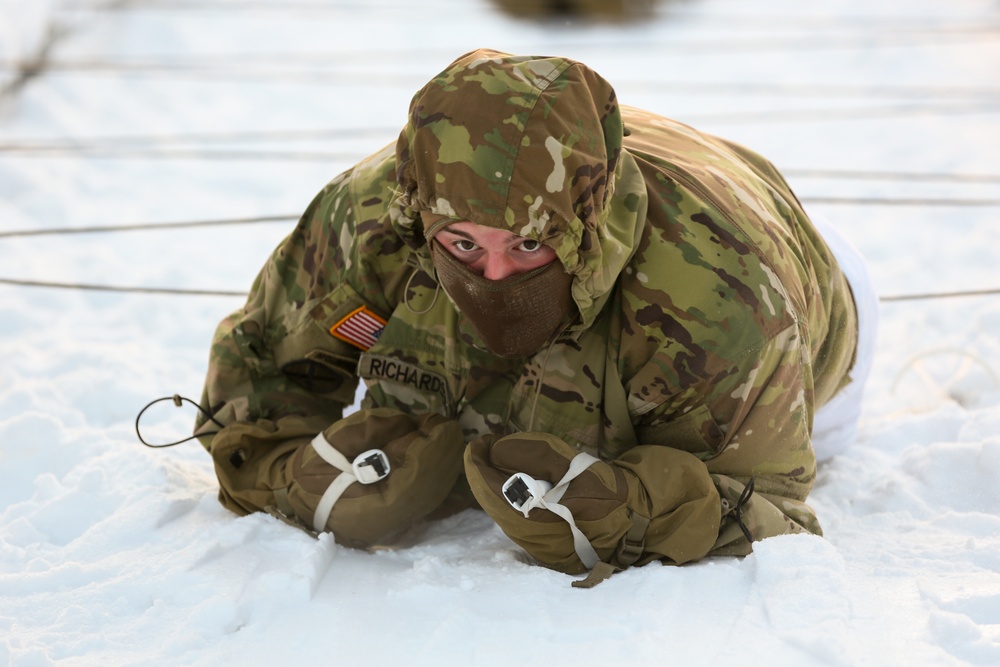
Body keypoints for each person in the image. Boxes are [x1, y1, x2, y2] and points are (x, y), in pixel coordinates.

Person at [193, 48, 877, 585]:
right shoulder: (370, 220)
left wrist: (629, 508)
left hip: (805, 294)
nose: (493, 277)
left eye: (527, 245)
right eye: (462, 244)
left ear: (582, 224)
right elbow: (258, 370)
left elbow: (768, 498)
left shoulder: (719, 297)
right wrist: (295, 478)